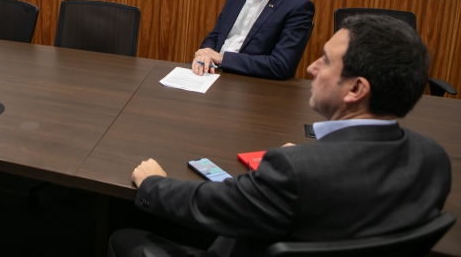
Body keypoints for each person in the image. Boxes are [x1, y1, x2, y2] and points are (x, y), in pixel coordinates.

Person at [112, 15, 451, 257]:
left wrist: (153, 183)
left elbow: (210, 205)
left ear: (357, 88)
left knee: (125, 236)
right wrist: (306, 162)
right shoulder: (433, 158)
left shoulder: (295, 170)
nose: (311, 68)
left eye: (326, 61)